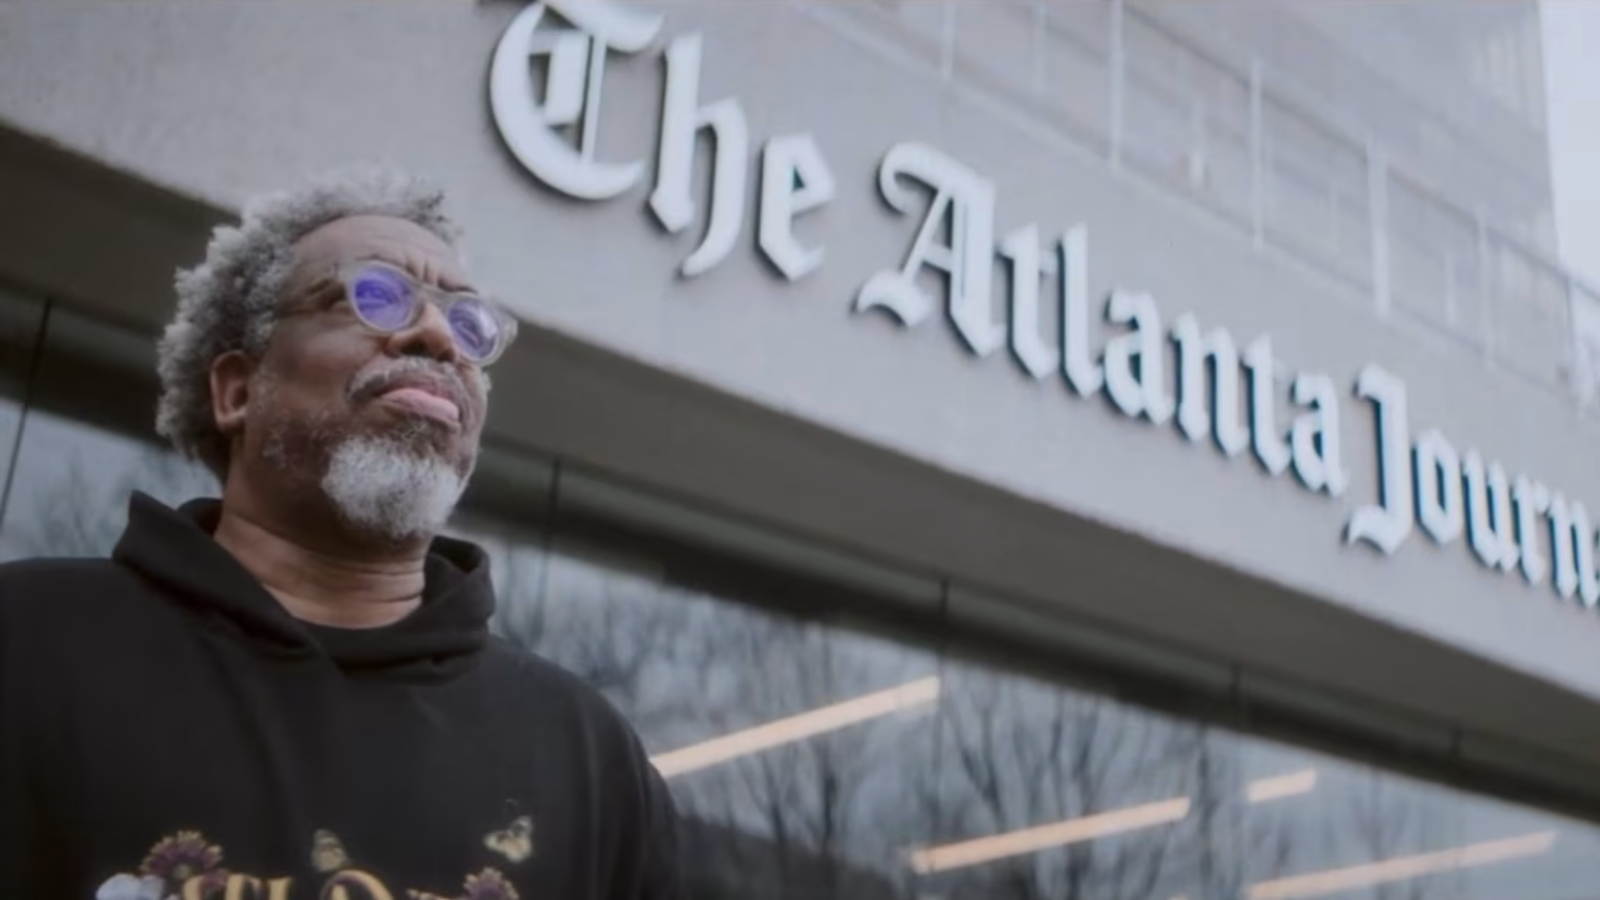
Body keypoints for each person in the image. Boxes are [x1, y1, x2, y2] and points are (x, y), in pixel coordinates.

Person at [0, 167, 684, 900]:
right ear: (238, 390)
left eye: (469, 325)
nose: (436, 335)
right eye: (375, 296)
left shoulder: (587, 755)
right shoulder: (26, 641)